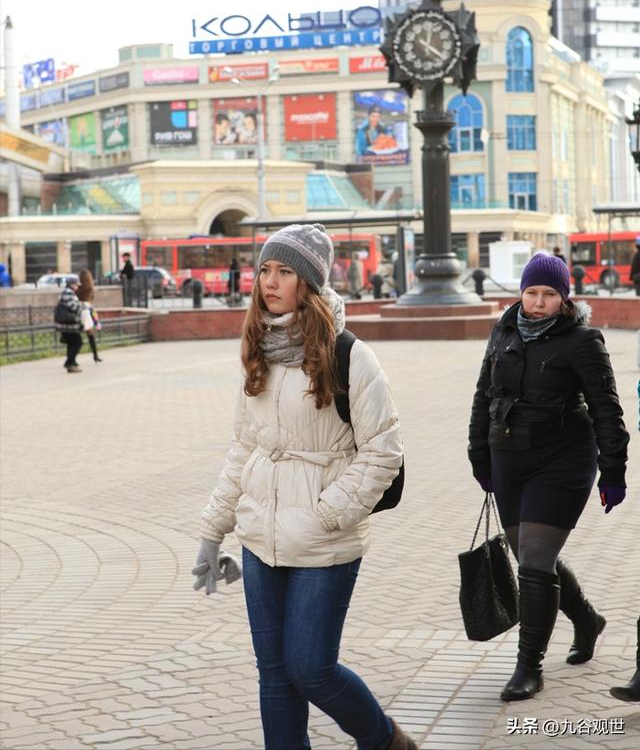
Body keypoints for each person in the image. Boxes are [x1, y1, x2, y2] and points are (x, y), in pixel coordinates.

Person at [193, 223, 414, 750]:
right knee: (273, 672)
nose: (270, 281)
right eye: (265, 269)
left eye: (285, 271)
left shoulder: (349, 355)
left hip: (323, 539)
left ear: (309, 283)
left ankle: (384, 741)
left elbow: (384, 449)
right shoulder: (259, 347)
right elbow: (243, 447)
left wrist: (327, 513)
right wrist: (212, 531)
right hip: (258, 539)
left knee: (311, 669)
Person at [467, 252, 629, 702]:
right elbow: (484, 395)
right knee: (530, 558)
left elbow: (606, 409)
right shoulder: (502, 331)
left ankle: (528, 667)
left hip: (564, 458)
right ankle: (587, 619)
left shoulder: (582, 340)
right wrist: (479, 455)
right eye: (531, 292)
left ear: (564, 298)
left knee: (535, 563)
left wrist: (613, 469)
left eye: (549, 294)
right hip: (509, 458)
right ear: (521, 292)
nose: (538, 303)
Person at [55, 278, 83, 373]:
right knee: (77, 343)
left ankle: (72, 363)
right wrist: (82, 305)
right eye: (76, 285)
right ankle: (69, 363)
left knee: (71, 344)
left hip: (66, 324)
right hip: (69, 324)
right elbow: (73, 307)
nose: (78, 286)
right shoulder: (68, 293)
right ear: (72, 285)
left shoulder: (67, 292)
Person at [77, 268, 102, 363]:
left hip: (78, 311)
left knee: (77, 335)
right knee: (91, 335)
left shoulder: (78, 289)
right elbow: (91, 300)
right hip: (87, 312)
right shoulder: (91, 288)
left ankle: (73, 357)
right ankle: (95, 355)